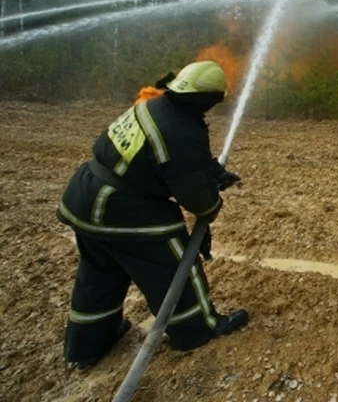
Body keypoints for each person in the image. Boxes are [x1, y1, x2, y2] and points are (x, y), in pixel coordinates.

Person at [56, 60, 249, 370]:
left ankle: (88, 346)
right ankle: (195, 330)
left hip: (85, 197)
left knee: (99, 277)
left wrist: (211, 171)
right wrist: (212, 205)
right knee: (174, 267)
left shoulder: (155, 106)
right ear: (209, 99)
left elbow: (161, 157)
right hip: (124, 209)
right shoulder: (182, 130)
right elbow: (196, 198)